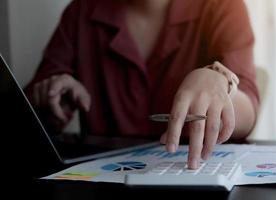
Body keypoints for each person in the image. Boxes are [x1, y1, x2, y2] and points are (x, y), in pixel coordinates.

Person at [25, 0, 260, 169]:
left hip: (198, 175)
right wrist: (52, 98)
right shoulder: (80, 12)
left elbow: (248, 107)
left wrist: (220, 84)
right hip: (107, 181)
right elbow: (35, 103)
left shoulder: (223, 5)